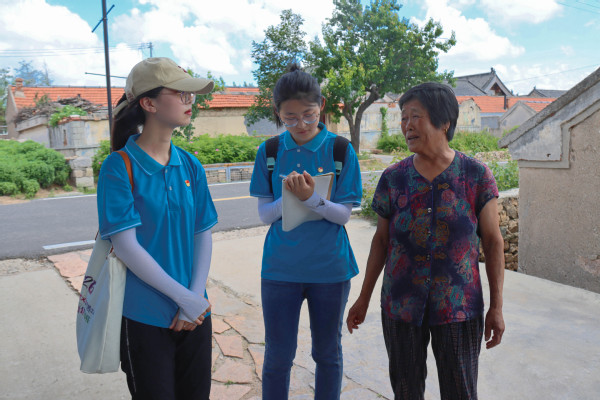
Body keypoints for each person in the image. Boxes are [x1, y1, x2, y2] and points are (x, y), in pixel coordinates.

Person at [346, 82, 505, 400]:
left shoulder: (475, 175)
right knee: (406, 391)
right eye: (403, 117)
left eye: (415, 116)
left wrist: (497, 308)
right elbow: (381, 242)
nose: (406, 125)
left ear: (444, 121)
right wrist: (363, 297)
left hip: (458, 307)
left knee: (460, 392)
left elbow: (493, 242)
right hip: (401, 306)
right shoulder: (394, 179)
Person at [96, 57, 218, 400]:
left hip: (195, 312)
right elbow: (126, 246)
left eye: (190, 94)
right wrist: (184, 298)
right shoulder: (118, 167)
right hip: (145, 316)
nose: (189, 100)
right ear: (148, 104)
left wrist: (194, 298)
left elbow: (202, 233)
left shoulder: (190, 164)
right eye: (180, 93)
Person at [249, 64, 362, 400]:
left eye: (309, 115)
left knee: (327, 353)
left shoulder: (340, 150)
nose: (301, 125)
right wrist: (290, 198)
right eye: (290, 118)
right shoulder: (270, 152)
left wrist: (311, 198)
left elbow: (343, 215)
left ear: (321, 106)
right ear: (277, 113)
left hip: (329, 269)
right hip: (280, 270)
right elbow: (264, 215)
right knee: (278, 356)